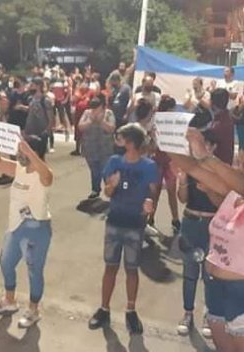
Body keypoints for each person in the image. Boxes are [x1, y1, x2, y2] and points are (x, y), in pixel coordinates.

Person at [168, 130, 244, 352]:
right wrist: (166, 141)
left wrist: (207, 156)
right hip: (215, 287)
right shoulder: (234, 195)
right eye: (237, 162)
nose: (237, 169)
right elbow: (193, 169)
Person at [88, 124, 158, 334]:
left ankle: (130, 310)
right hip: (114, 221)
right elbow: (107, 192)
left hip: (135, 224)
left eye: (121, 138)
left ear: (130, 142)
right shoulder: (114, 162)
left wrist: (150, 204)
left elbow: (153, 193)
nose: (117, 140)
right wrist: (113, 185)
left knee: (131, 269)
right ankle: (104, 308)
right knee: (110, 266)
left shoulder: (149, 166)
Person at [0, 136, 53, 329]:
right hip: (15, 227)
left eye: (22, 152)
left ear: (34, 152)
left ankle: (33, 310)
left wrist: (29, 152)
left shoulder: (44, 174)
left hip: (36, 229)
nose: (19, 155)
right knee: (5, 262)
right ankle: (10, 300)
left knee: (33, 271)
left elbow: (47, 176)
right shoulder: (19, 168)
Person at [175, 129, 220, 338]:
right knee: (189, 273)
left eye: (206, 145)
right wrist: (183, 181)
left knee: (209, 275)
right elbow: (182, 198)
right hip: (191, 221)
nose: (201, 149)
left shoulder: (220, 170)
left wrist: (209, 190)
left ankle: (208, 315)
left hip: (211, 224)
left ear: (213, 147)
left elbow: (220, 203)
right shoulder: (189, 167)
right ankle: (187, 313)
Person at [152, 96, 181, 234]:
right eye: (172, 108)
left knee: (170, 191)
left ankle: (175, 219)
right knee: (155, 192)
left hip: (169, 160)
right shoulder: (157, 120)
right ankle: (150, 218)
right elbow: (154, 140)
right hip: (161, 159)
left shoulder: (173, 121)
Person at [78, 96, 116, 199]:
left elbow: (111, 128)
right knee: (94, 170)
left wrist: (101, 122)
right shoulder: (87, 113)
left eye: (96, 108)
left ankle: (111, 192)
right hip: (90, 147)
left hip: (105, 149)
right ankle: (95, 190)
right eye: (92, 107)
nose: (93, 110)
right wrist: (90, 121)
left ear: (103, 107)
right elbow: (80, 126)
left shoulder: (109, 113)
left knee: (106, 171)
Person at [23, 77, 52, 159]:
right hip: (29, 133)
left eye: (32, 85)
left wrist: (46, 132)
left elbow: (51, 118)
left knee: (40, 158)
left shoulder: (45, 100)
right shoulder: (30, 99)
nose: (30, 87)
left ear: (38, 86)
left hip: (40, 133)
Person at [210, 88, 235, 165]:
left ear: (212, 103)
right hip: (226, 162)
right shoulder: (228, 117)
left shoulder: (218, 125)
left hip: (217, 165)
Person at [72, 77, 93, 156]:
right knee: (77, 132)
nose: (84, 85)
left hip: (87, 115)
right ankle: (77, 149)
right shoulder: (78, 91)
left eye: (86, 83)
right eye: (83, 83)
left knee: (86, 132)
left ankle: (86, 150)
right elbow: (73, 100)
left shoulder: (91, 92)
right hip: (78, 114)